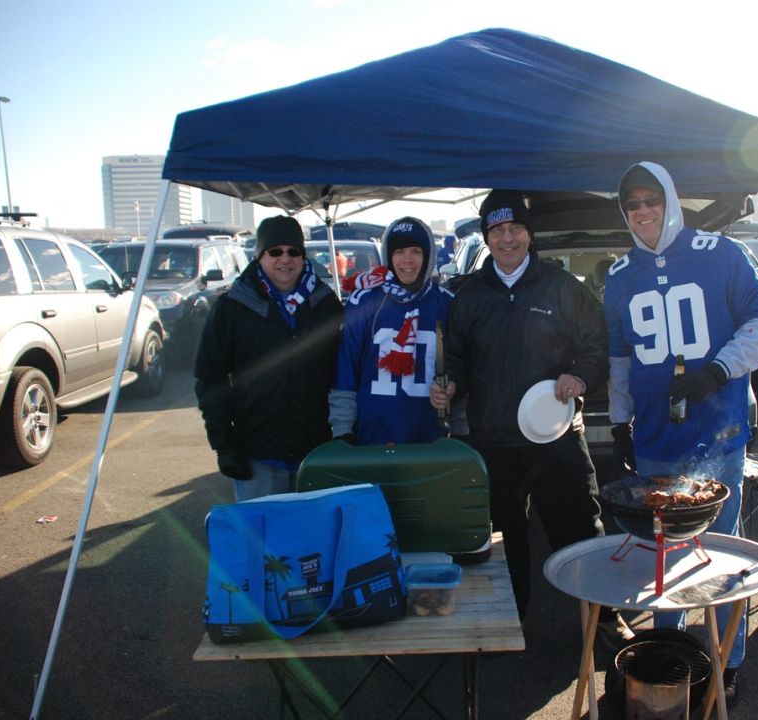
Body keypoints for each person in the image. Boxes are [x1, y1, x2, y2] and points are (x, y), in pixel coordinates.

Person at [602, 161, 758, 707]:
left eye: (650, 200)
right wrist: (617, 421)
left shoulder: (719, 253)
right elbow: (619, 361)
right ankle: (668, 651)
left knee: (721, 557)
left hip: (718, 435)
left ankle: (729, 661)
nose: (642, 212)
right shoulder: (619, 276)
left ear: (670, 200)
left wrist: (718, 370)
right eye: (632, 205)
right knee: (664, 560)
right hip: (657, 439)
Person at [429, 190, 632, 643]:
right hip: (495, 441)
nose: (507, 238)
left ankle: (603, 620)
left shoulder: (563, 288)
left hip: (556, 436)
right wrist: (449, 385)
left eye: (515, 228)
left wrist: (579, 377)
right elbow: (457, 360)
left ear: (529, 233)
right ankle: (507, 619)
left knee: (580, 528)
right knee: (505, 542)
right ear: (486, 237)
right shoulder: (469, 297)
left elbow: (596, 349)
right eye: (497, 230)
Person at [194, 215, 344, 501]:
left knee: (312, 542)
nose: (284, 259)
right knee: (264, 544)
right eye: (275, 251)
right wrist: (224, 445)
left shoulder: (326, 304)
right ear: (260, 256)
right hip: (257, 454)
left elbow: (345, 371)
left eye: (293, 251)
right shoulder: (232, 307)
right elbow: (209, 380)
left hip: (315, 452)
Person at [329, 217, 454, 444]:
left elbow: (459, 368)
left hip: (429, 439)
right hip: (372, 437)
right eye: (399, 251)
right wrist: (343, 430)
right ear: (388, 255)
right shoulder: (364, 301)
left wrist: (459, 420)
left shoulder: (447, 304)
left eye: (416, 251)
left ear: (428, 255)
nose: (407, 259)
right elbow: (346, 369)